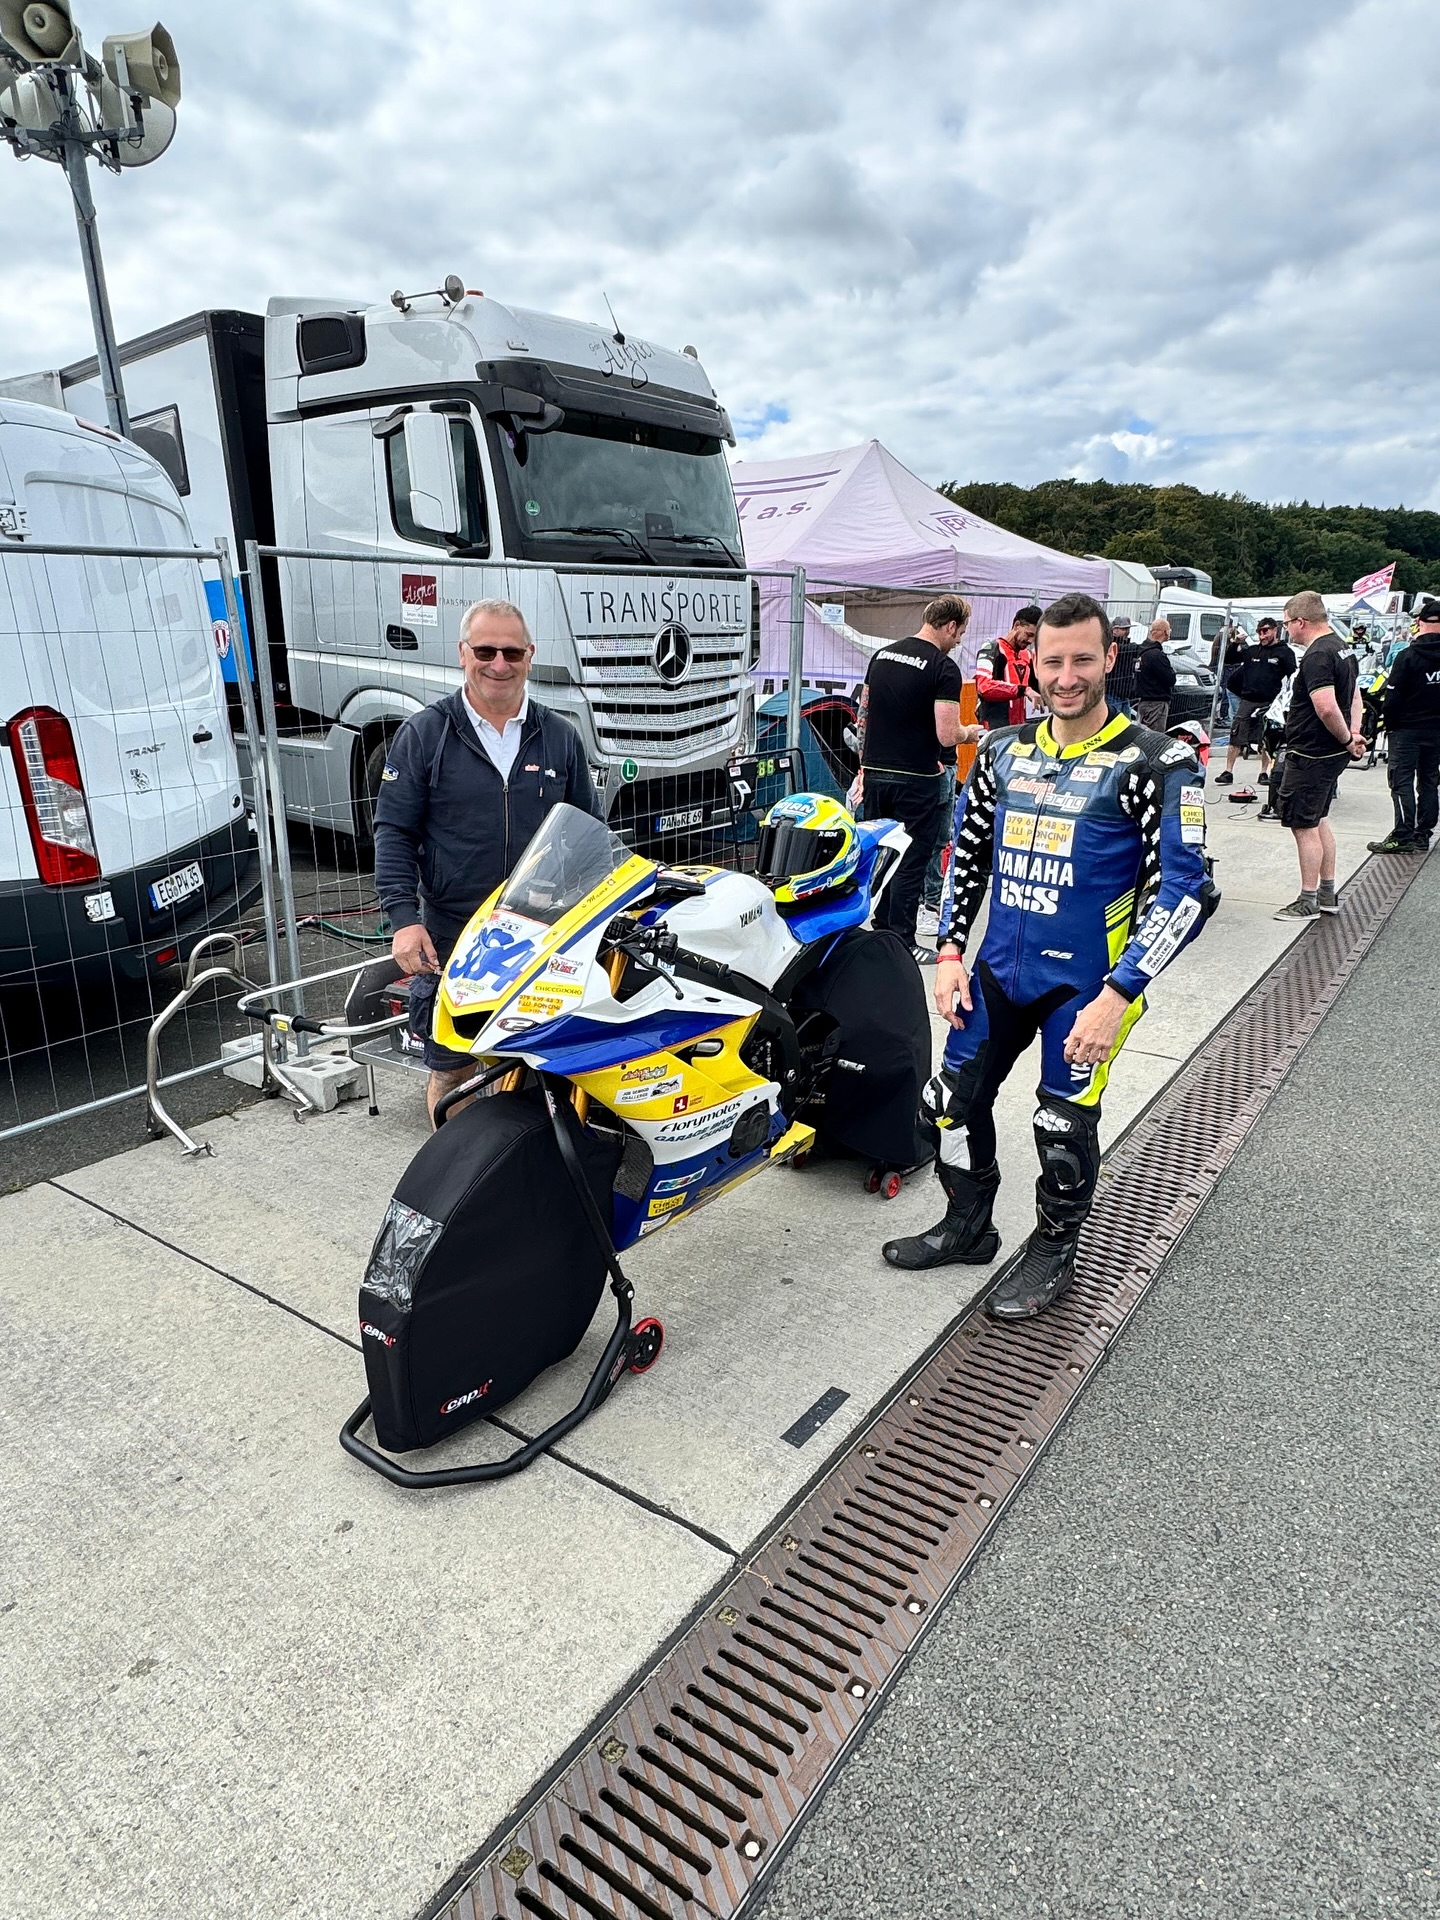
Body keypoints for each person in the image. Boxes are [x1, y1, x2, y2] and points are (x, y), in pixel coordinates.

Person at [882, 591, 1215, 1319]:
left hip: (1089, 988)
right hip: (997, 972)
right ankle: (968, 1226)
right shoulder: (1002, 750)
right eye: (1053, 661)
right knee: (949, 1106)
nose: (1067, 678)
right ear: (1031, 662)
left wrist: (1120, 994)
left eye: (1083, 661)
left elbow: (1189, 891)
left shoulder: (1158, 761)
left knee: (1060, 1124)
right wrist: (949, 950)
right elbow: (966, 856)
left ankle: (1054, 1249)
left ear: (1110, 658)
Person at [374, 598, 602, 1122]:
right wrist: (403, 920)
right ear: (463, 653)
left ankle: (512, 1161)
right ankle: (458, 1167)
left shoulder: (559, 736)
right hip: (454, 935)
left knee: (527, 1069)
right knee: (452, 1072)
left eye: (511, 652)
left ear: (530, 656)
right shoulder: (425, 734)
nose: (499, 664)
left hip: (539, 933)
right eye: (485, 651)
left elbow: (589, 834)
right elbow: (394, 833)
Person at [854, 594, 981, 963]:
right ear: (950, 626)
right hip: (917, 776)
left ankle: (879, 928)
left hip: (877, 773)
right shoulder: (943, 668)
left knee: (881, 854)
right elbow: (947, 734)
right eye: (960, 633)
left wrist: (864, 766)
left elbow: (863, 716)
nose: (958, 640)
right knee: (910, 860)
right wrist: (969, 733)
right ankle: (902, 940)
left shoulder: (882, 656)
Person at [1274, 590, 1364, 921]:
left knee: (1302, 824)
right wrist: (1354, 734)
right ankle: (1327, 893)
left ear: (1301, 621)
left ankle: (1308, 899)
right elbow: (1354, 696)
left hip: (1312, 753)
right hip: (1331, 753)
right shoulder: (1342, 648)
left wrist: (1347, 739)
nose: (1286, 630)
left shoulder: (1317, 656)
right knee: (1319, 818)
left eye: (1287, 623)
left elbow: (1325, 707)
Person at [1369, 597, 1440, 854]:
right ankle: (1423, 833)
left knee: (1401, 782)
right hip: (1436, 730)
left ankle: (1403, 834)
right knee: (1429, 781)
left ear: (1420, 623)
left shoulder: (1408, 656)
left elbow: (1393, 697)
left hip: (1406, 730)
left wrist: (1388, 725)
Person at [1214, 617, 1296, 787]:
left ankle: (1264, 772)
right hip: (1248, 699)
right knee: (1236, 733)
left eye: (1265, 631)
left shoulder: (1284, 652)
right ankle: (1228, 771)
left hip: (1269, 701)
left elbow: (1293, 677)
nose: (1262, 635)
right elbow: (1230, 658)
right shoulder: (1252, 651)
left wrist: (1287, 699)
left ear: (1275, 630)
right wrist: (1235, 643)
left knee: (1267, 737)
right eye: (1259, 632)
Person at [974, 606, 1042, 728]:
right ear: (1016, 625)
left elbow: (1037, 688)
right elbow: (984, 687)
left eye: (1034, 637)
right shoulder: (991, 649)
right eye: (1029, 634)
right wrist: (1023, 690)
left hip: (1018, 728)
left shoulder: (1027, 655)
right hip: (993, 730)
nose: (1031, 641)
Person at [1135, 619, 1176, 731]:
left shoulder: (1142, 652)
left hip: (1143, 702)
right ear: (1165, 632)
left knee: (1144, 734)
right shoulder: (1157, 655)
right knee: (1155, 736)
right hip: (1156, 704)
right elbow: (1170, 679)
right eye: (1169, 629)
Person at [1105, 616, 1140, 717]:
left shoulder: (1126, 645)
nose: (1127, 632)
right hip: (1112, 692)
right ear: (1114, 630)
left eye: (1128, 629)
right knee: (1113, 721)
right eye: (1124, 629)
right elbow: (1128, 649)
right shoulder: (1111, 645)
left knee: (1126, 722)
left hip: (1124, 693)